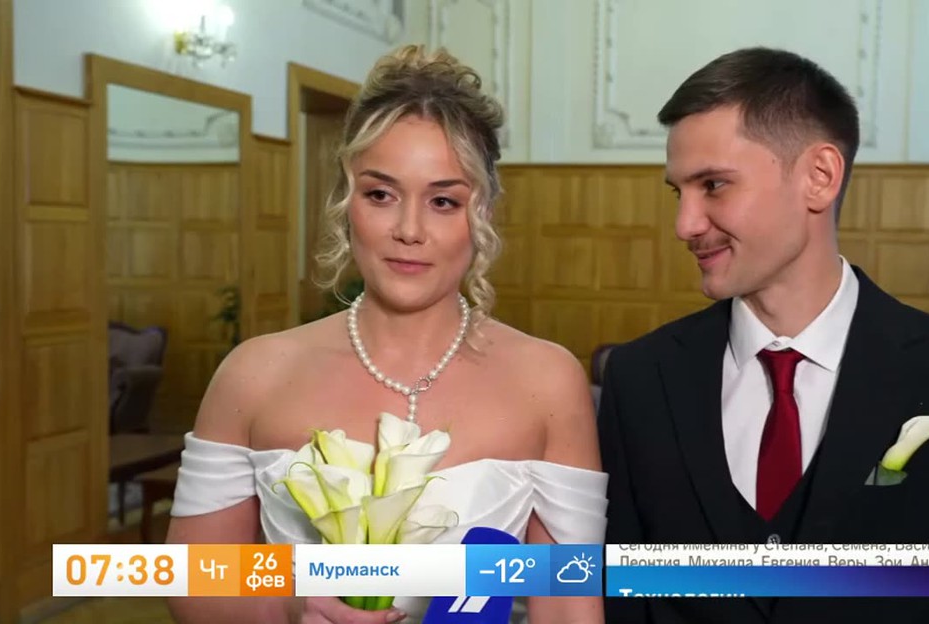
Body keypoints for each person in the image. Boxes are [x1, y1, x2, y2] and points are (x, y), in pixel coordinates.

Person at [597, 47, 929, 624]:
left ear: (819, 178)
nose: (684, 224)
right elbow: (619, 591)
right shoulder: (640, 378)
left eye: (713, 185)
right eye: (679, 192)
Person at [166, 45, 606, 624]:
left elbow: (569, 598)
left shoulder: (548, 381)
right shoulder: (253, 373)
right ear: (347, 203)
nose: (408, 229)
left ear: (483, 215)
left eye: (443, 201)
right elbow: (190, 584)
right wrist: (293, 602)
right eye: (381, 194)